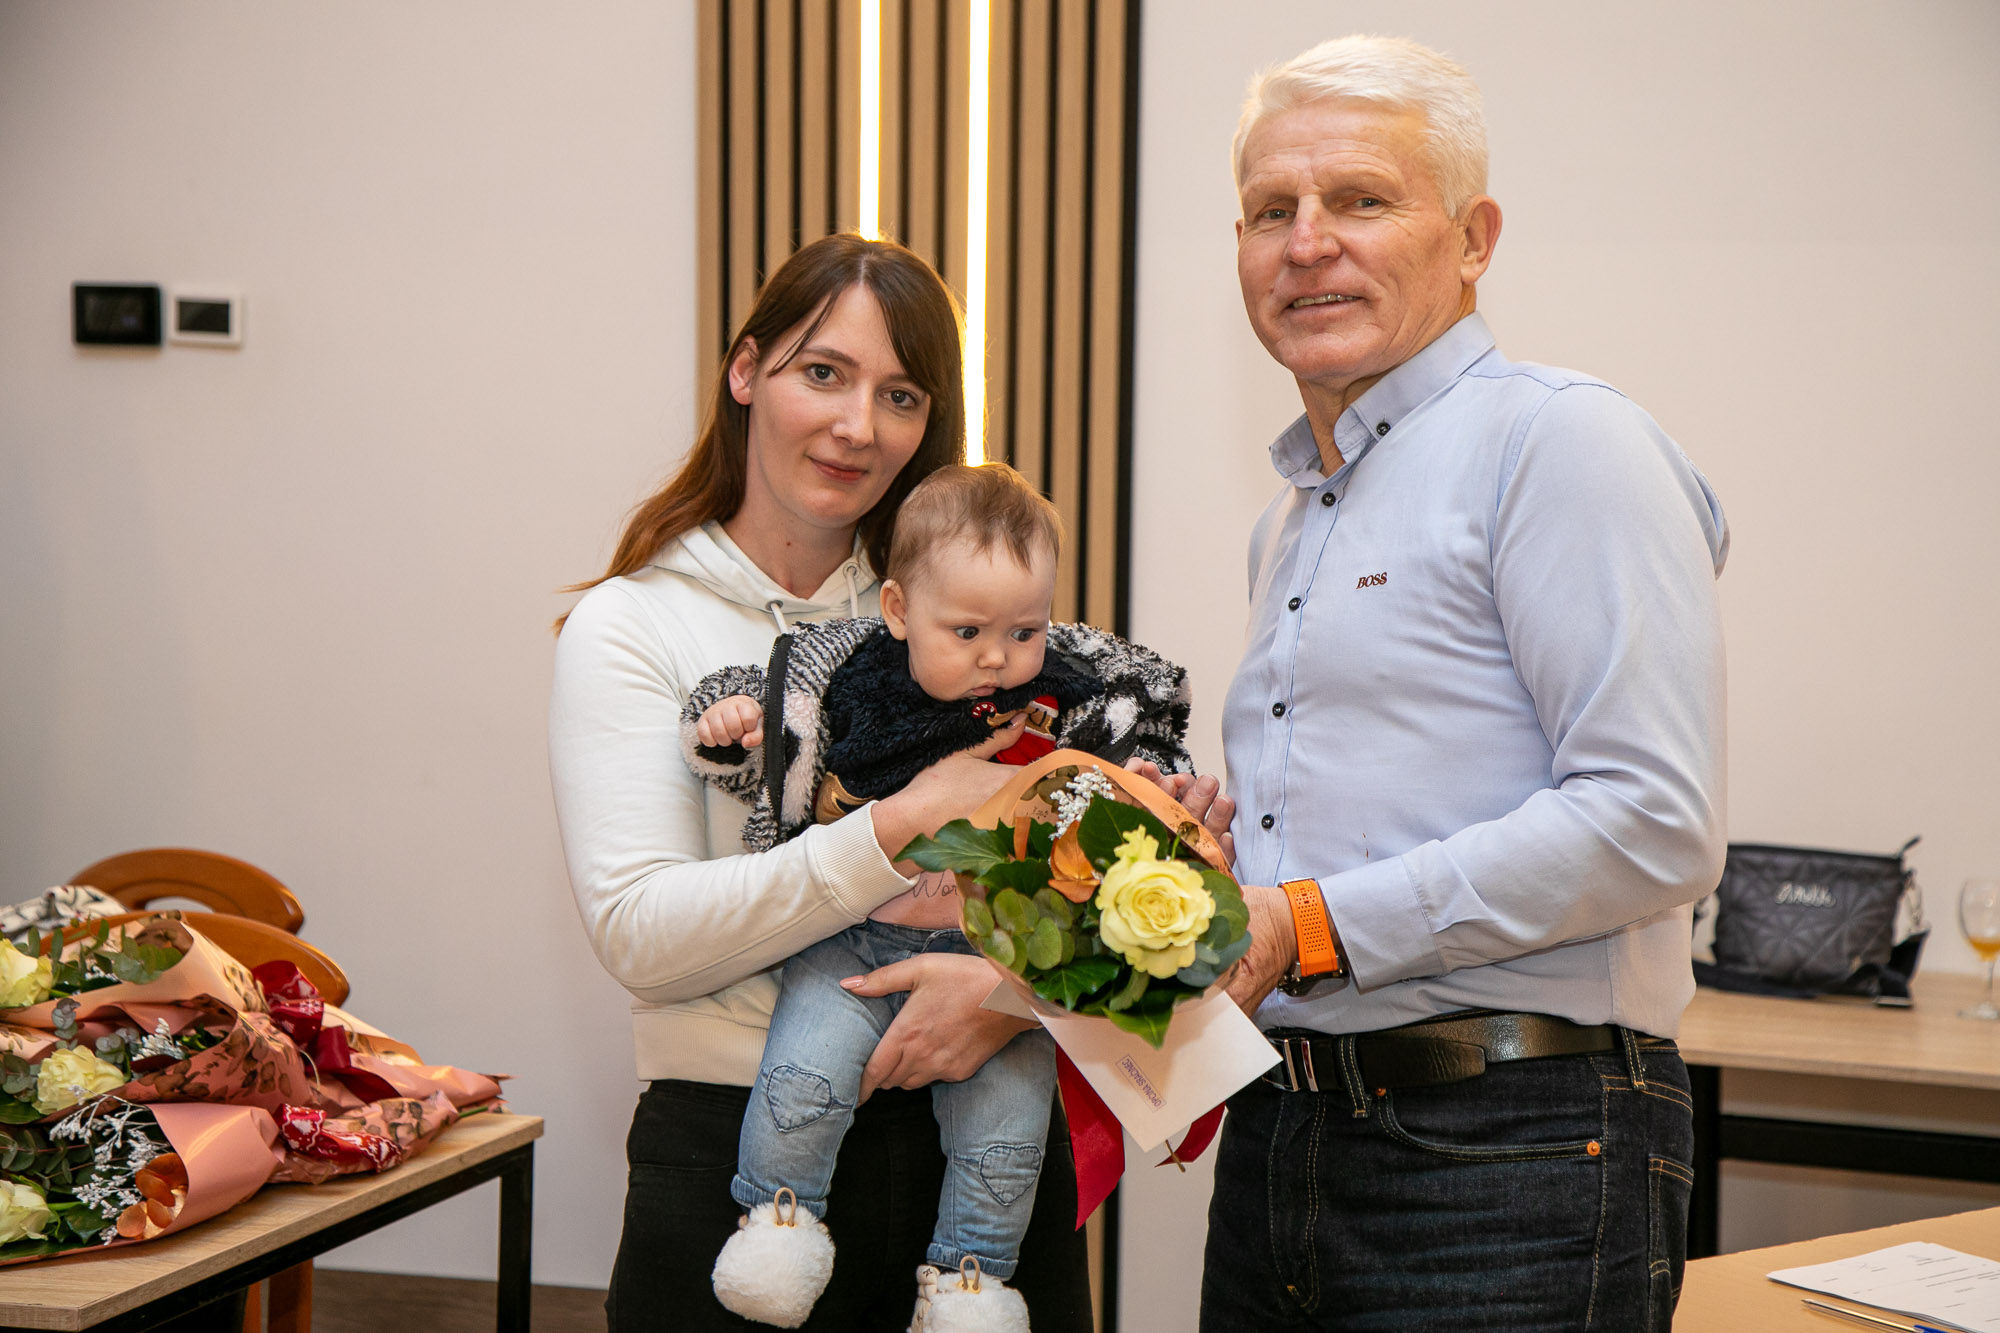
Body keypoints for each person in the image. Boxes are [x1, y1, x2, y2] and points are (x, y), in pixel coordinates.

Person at [1197, 35, 1730, 1332]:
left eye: (1360, 199)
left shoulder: (1560, 440)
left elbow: (1653, 821)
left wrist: (1303, 922)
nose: (1306, 242)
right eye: (1270, 210)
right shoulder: (1288, 522)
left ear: (1474, 238)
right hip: (1278, 1134)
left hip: (1512, 1153)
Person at [548, 234, 1094, 1332]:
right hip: (738, 1149)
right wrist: (893, 826)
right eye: (824, 373)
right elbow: (640, 932)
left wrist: (1013, 990)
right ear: (747, 371)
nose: (858, 426)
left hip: (980, 1150)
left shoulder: (962, 615)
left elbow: (1066, 878)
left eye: (900, 395)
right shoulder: (633, 623)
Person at [682, 462, 1192, 1329]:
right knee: (804, 1078)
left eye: (1024, 630)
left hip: (995, 956)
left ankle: (971, 1280)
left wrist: (1147, 782)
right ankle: (778, 1219)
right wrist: (737, 726)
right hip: (851, 942)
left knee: (1008, 1132)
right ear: (897, 610)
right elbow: (774, 740)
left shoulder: (1067, 694)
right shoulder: (853, 674)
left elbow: (1131, 765)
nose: (997, 656)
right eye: (966, 631)